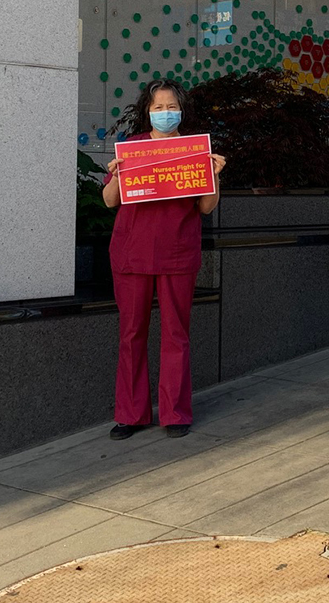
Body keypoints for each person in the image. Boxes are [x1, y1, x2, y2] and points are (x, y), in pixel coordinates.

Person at [102, 79, 227, 440]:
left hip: (176, 253)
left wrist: (214, 177)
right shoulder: (131, 150)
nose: (165, 113)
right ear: (147, 112)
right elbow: (110, 201)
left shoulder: (193, 151)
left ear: (181, 111)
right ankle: (131, 413)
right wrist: (117, 174)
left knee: (176, 334)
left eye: (171, 107)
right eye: (158, 108)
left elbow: (205, 206)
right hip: (132, 252)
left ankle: (174, 413)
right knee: (131, 334)